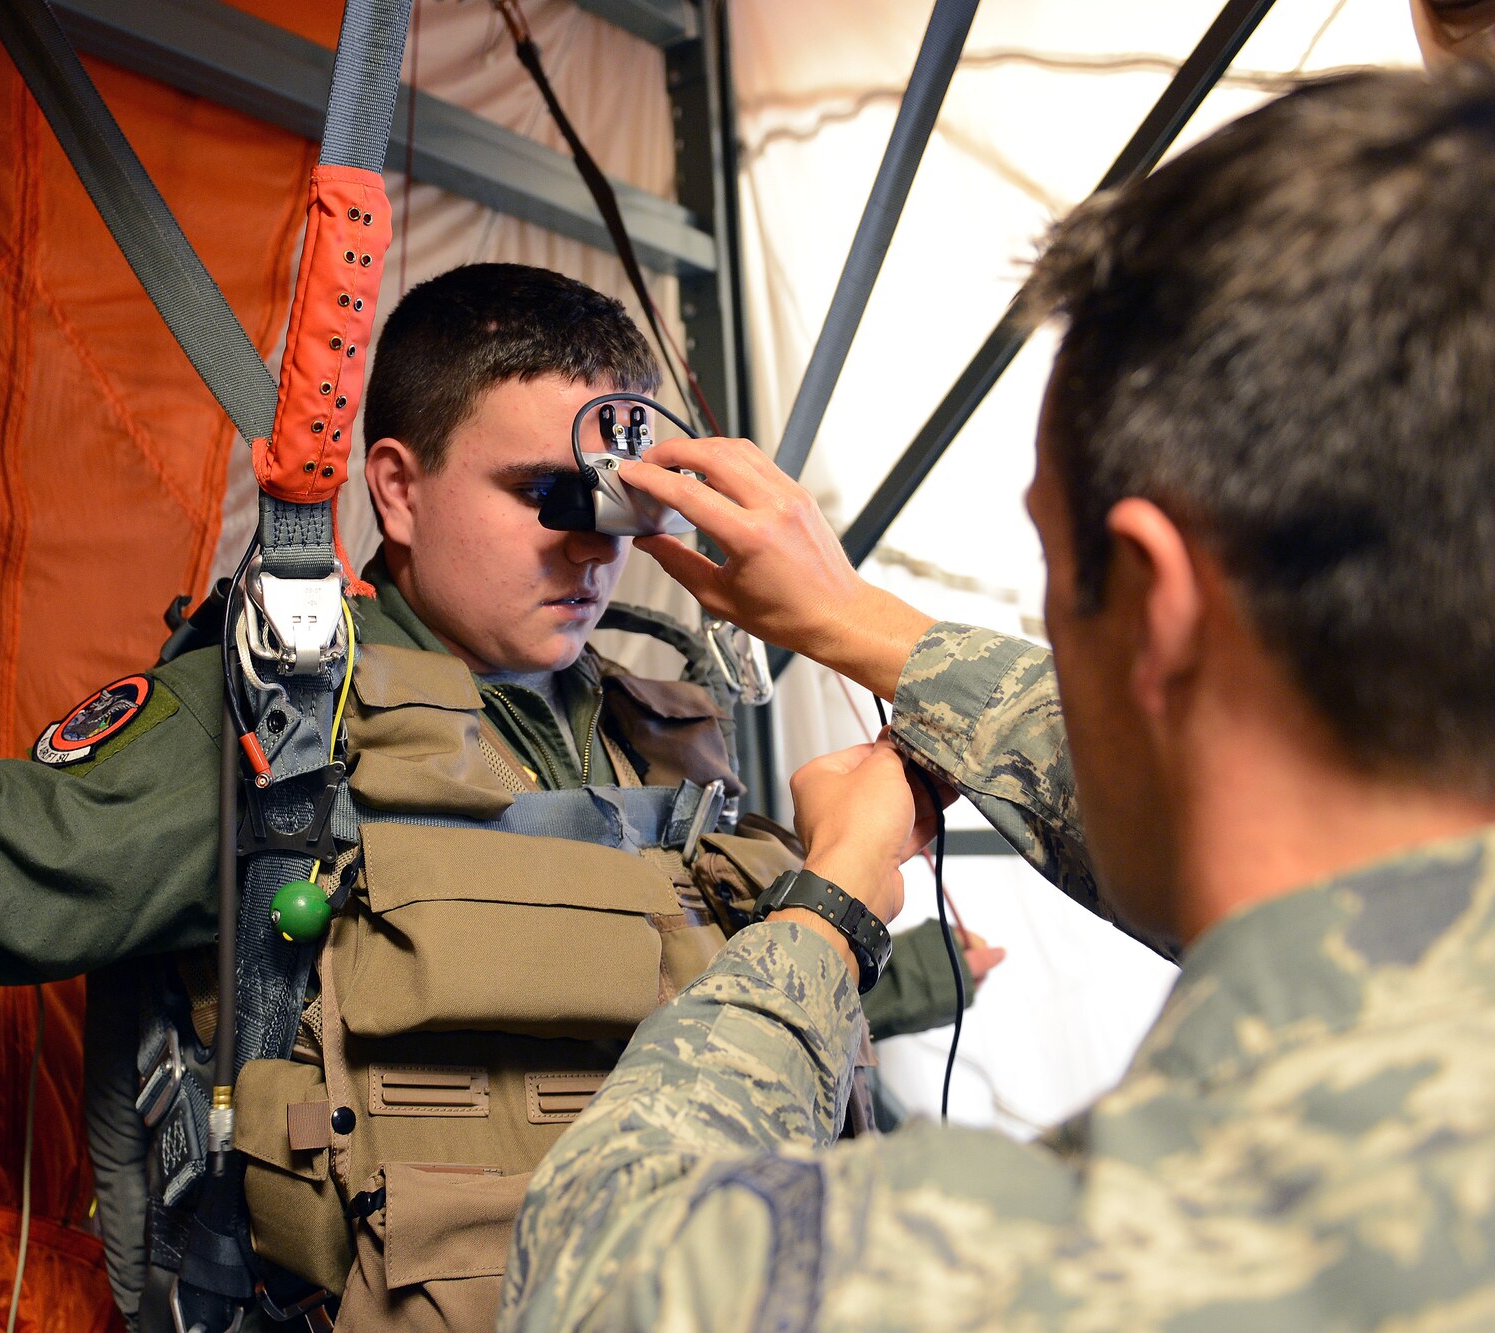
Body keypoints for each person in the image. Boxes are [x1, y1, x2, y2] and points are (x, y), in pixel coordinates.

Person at [0, 261, 983, 1329]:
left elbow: (678, 1007)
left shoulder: (658, 732)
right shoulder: (284, 723)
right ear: (399, 489)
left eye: (618, 507)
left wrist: (901, 965)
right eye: (546, 496)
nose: (590, 552)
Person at [502, 65, 1495, 1331]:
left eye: (1053, 569)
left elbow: (599, 1263)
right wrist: (852, 620)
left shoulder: (1041, 1276)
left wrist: (826, 905)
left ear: (1153, 606)